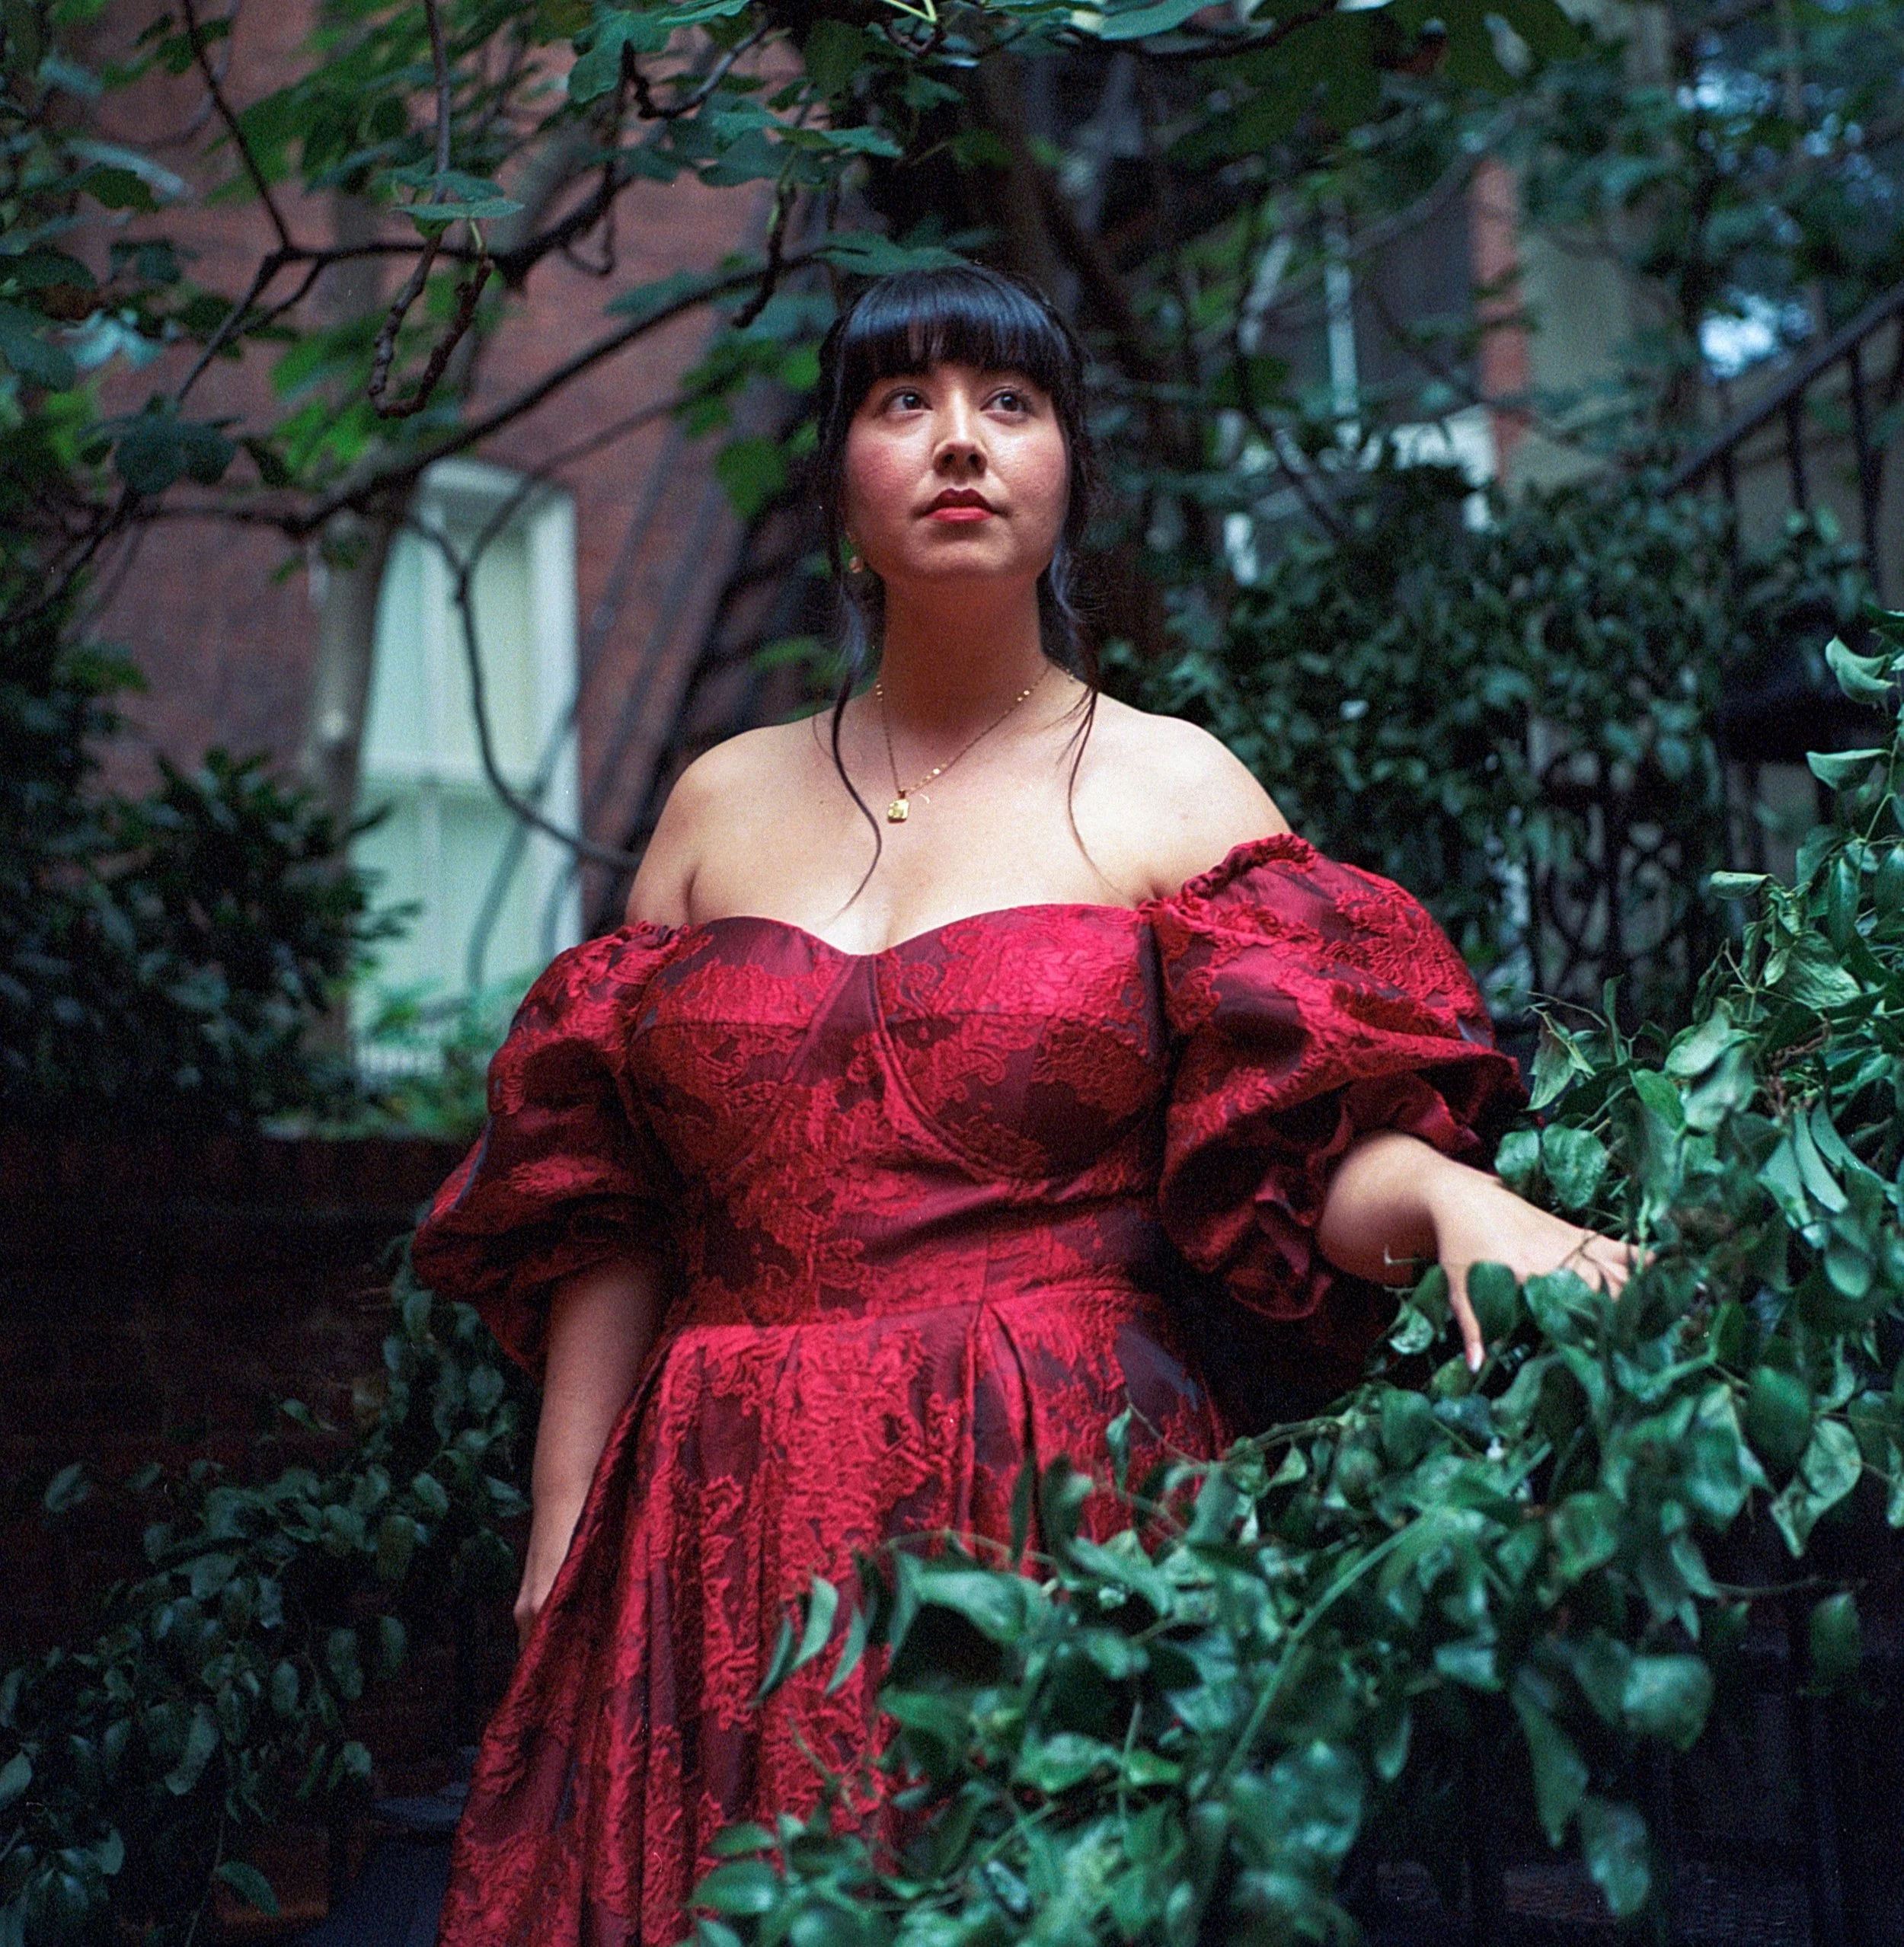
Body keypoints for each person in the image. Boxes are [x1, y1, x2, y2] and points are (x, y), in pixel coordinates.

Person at [411, 265, 1631, 1947]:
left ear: (1069, 473)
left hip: (1052, 1490)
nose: (959, 443)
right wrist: (564, 1528)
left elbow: (1293, 1166)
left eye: (1009, 402)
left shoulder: (1173, 786)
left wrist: (1450, 1199)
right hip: (712, 1511)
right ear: (838, 483)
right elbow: (610, 1212)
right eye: (900, 402)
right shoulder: (714, 804)